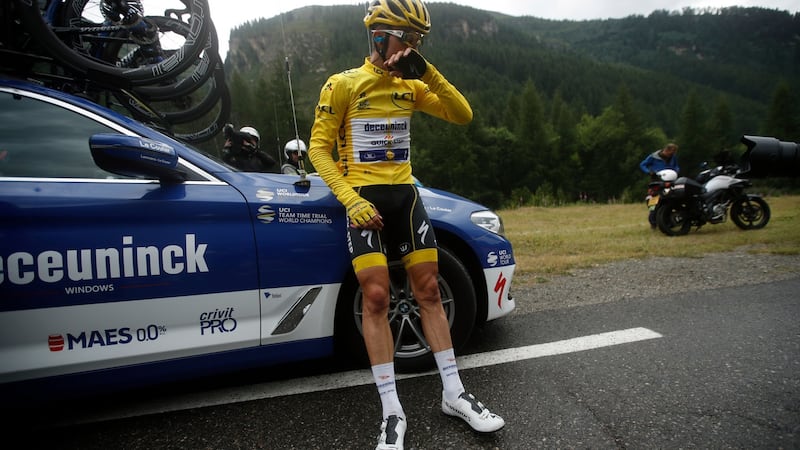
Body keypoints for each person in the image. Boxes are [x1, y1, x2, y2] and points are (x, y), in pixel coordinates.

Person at [307, 1, 504, 448]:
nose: (413, 46)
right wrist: (350, 201)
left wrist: (426, 69)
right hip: (364, 200)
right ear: (379, 35)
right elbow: (319, 150)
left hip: (406, 197)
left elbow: (462, 114)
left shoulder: (413, 85)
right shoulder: (343, 84)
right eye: (408, 37)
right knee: (375, 298)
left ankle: (454, 393)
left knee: (430, 291)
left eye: (419, 40)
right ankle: (391, 411)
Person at [639, 143, 680, 229]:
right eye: (671, 153)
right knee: (654, 201)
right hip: (657, 180)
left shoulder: (673, 157)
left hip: (670, 180)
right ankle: (653, 222)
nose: (671, 155)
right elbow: (642, 164)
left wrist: (676, 171)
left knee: (671, 199)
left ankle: (668, 220)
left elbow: (676, 166)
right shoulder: (653, 157)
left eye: (673, 154)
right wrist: (649, 172)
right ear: (666, 150)